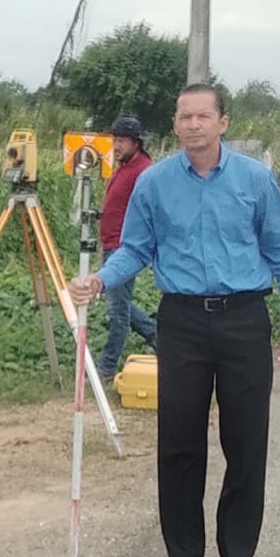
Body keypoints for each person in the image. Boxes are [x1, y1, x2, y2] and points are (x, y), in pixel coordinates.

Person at [69, 83, 280, 557]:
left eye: (203, 116)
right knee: (179, 444)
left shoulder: (254, 180)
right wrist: (99, 280)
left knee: (246, 444)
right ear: (175, 125)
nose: (194, 125)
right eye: (185, 117)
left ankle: (237, 551)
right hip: (181, 323)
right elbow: (135, 249)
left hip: (243, 319)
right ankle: (184, 552)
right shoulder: (154, 183)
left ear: (223, 122)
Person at [94, 115, 158, 383]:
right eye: (114, 140)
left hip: (125, 250)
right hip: (111, 244)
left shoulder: (144, 171)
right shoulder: (122, 167)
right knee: (120, 303)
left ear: (136, 143)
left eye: (121, 141)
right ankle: (158, 337)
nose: (116, 145)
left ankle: (106, 368)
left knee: (117, 311)